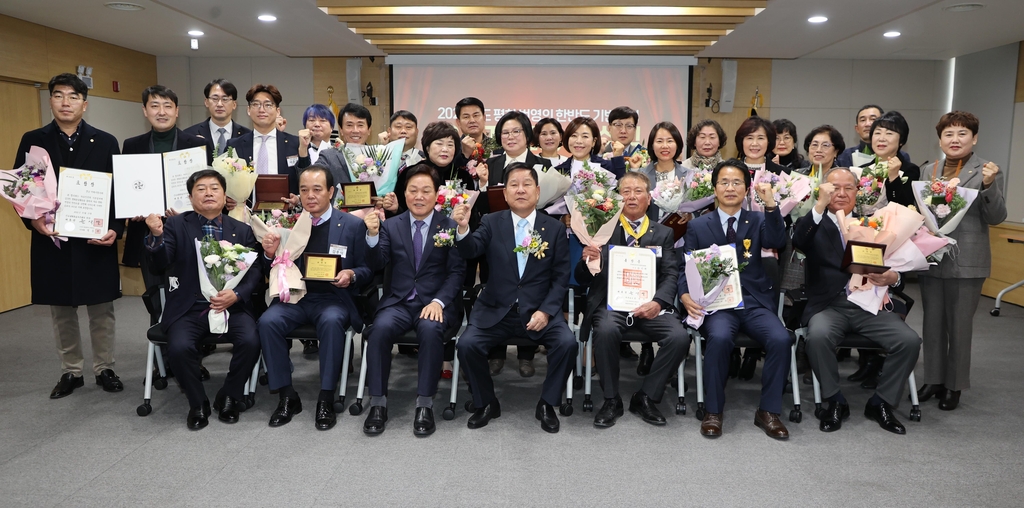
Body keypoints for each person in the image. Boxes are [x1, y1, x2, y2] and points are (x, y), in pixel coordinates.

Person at [14, 73, 124, 399]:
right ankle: (71, 371)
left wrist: (115, 229)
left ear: (84, 104)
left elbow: (117, 193)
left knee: (102, 311)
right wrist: (34, 222)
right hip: (53, 241)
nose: (66, 102)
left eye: (73, 96)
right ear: (50, 101)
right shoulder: (33, 141)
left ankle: (105, 367)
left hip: (95, 241)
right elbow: (25, 191)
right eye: (59, 95)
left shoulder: (106, 141)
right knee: (62, 311)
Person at [792, 167, 922, 434]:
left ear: (857, 192)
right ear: (823, 190)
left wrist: (893, 278)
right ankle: (835, 400)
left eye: (847, 188)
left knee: (909, 341)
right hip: (829, 305)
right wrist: (819, 205)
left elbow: (898, 269)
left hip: (869, 305)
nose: (841, 193)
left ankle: (881, 402)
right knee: (817, 337)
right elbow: (799, 241)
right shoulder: (815, 222)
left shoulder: (875, 222)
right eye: (833, 188)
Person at [452, 163, 579, 433]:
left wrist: (546, 311)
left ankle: (547, 403)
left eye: (526, 184)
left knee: (567, 343)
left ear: (537, 191)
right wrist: (462, 228)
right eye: (513, 185)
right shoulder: (490, 222)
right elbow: (470, 250)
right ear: (506, 193)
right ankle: (486, 402)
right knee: (467, 345)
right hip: (497, 308)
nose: (520, 190)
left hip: (539, 311)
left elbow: (560, 277)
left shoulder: (554, 228)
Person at [677, 159, 791, 439]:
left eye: (737, 182)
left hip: (753, 301)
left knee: (781, 339)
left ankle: (768, 411)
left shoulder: (760, 219)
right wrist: (684, 294)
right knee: (718, 339)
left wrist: (771, 205)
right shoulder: (698, 226)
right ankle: (713, 410)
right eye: (724, 182)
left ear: (747, 188)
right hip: (717, 305)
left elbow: (777, 241)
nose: (730, 188)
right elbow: (685, 266)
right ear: (714, 189)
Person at [143, 169, 262, 430]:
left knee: (251, 340)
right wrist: (157, 236)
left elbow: (254, 271)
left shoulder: (241, 229)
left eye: (214, 188)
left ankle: (229, 395)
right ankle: (198, 402)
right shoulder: (174, 225)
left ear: (224, 195)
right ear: (190, 196)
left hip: (232, 305)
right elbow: (159, 263)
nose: (208, 193)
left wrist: (237, 294)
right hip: (189, 307)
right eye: (201, 188)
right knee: (179, 347)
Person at [257, 165, 371, 430]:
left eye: (317, 189)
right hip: (295, 298)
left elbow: (368, 269)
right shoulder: (288, 224)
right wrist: (270, 254)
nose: (310, 196)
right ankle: (287, 396)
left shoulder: (352, 225)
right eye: (304, 190)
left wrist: (351, 274)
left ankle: (326, 397)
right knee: (267, 322)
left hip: (333, 299)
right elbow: (268, 270)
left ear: (331, 192)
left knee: (332, 323)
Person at [575, 172, 690, 427]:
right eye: (625, 191)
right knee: (604, 330)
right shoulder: (601, 229)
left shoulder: (663, 233)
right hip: (611, 304)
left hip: (651, 306)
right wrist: (587, 260)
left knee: (679, 337)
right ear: (617, 198)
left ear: (649, 199)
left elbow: (671, 274)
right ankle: (611, 398)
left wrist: (658, 302)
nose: (631, 196)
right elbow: (581, 277)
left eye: (638, 191)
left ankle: (646, 396)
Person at [361, 165, 466, 436]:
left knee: (431, 331)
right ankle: (378, 403)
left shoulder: (449, 225)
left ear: (436, 194)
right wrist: (372, 237)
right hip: (398, 302)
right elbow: (377, 263)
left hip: (434, 303)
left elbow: (457, 273)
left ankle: (425, 404)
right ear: (404, 193)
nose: (419, 196)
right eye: (413, 190)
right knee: (379, 330)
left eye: (426, 191)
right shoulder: (391, 226)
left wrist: (439, 302)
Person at [916, 111, 1006, 411]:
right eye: (949, 134)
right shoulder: (929, 170)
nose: (955, 140)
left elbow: (996, 217)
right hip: (933, 258)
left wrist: (990, 186)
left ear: (974, 138)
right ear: (940, 139)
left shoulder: (987, 170)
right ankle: (933, 379)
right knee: (932, 323)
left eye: (962, 134)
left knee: (959, 325)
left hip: (967, 259)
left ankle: (955, 385)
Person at [482, 111, 553, 377]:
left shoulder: (543, 164)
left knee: (529, 285)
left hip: (533, 234)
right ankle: (497, 352)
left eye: (516, 132)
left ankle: (526, 354)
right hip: (497, 239)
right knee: (499, 289)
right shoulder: (490, 163)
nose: (510, 137)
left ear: (527, 135)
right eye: (505, 132)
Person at [121, 85, 207, 271]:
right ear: (145, 110)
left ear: (177, 111)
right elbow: (128, 186)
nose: (161, 112)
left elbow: (207, 188)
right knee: (154, 294)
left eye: (167, 106)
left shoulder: (198, 146)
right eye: (154, 106)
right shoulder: (132, 145)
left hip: (188, 230)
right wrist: (132, 207)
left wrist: (191, 209)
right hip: (146, 232)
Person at [226, 84, 300, 196]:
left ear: (278, 111)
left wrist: (297, 199)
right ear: (249, 110)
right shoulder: (234, 146)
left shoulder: (295, 144)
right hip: (245, 211)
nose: (261, 110)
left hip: (287, 211)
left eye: (268, 105)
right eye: (256, 104)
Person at [863, 111, 921, 206]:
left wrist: (894, 177)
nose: (881, 138)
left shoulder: (910, 170)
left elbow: (906, 206)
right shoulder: (863, 169)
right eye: (877, 133)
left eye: (889, 133)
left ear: (901, 141)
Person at [182, 78, 251, 158]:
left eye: (225, 99)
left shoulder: (247, 135)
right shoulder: (189, 134)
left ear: (234, 105)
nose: (219, 104)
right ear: (206, 102)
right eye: (215, 99)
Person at [836, 105, 910, 168]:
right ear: (857, 128)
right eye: (863, 120)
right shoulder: (844, 155)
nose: (868, 124)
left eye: (873, 119)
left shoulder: (901, 156)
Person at [454, 97, 497, 168]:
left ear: (484, 118)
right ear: (458, 122)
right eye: (466, 117)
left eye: (476, 115)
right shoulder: (453, 148)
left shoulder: (497, 147)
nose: (472, 120)